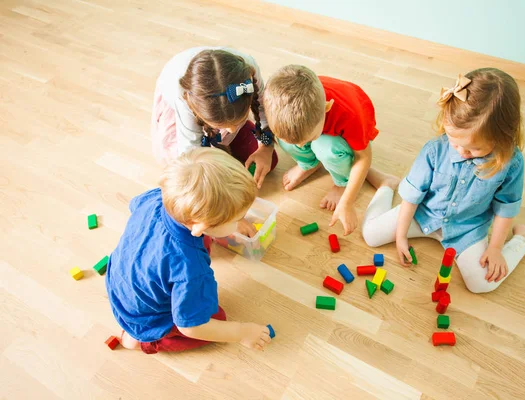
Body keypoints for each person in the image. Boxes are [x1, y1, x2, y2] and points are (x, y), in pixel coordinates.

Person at [362, 68, 525, 293]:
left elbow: (506, 207)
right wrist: (400, 234)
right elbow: (412, 197)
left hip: (467, 229)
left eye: (474, 149)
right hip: (423, 214)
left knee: (482, 284)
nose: (462, 152)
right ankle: (386, 185)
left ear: (502, 139)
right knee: (370, 235)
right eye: (455, 142)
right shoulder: (435, 150)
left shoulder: (510, 162)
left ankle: (524, 238)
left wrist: (495, 248)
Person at [106, 148, 272, 353]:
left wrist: (226, 219)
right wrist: (242, 332)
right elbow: (191, 327)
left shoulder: (158, 197)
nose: (241, 220)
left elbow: (134, 206)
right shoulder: (191, 268)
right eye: (237, 218)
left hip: (119, 284)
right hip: (148, 317)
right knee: (216, 321)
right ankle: (143, 341)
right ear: (200, 225)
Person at [263, 65, 379, 235]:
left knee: (325, 148)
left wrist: (347, 201)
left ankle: (341, 183)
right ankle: (308, 163)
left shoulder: (350, 115)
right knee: (288, 140)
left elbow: (363, 158)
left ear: (327, 108)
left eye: (307, 140)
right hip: (315, 121)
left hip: (348, 123)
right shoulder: (282, 108)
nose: (302, 146)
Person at [151, 47, 278, 189]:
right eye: (223, 125)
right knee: (188, 171)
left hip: (214, 112)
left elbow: (263, 109)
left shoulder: (248, 72)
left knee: (269, 162)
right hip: (182, 113)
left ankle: (229, 135)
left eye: (237, 122)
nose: (231, 130)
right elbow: (190, 151)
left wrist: (266, 148)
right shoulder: (184, 99)